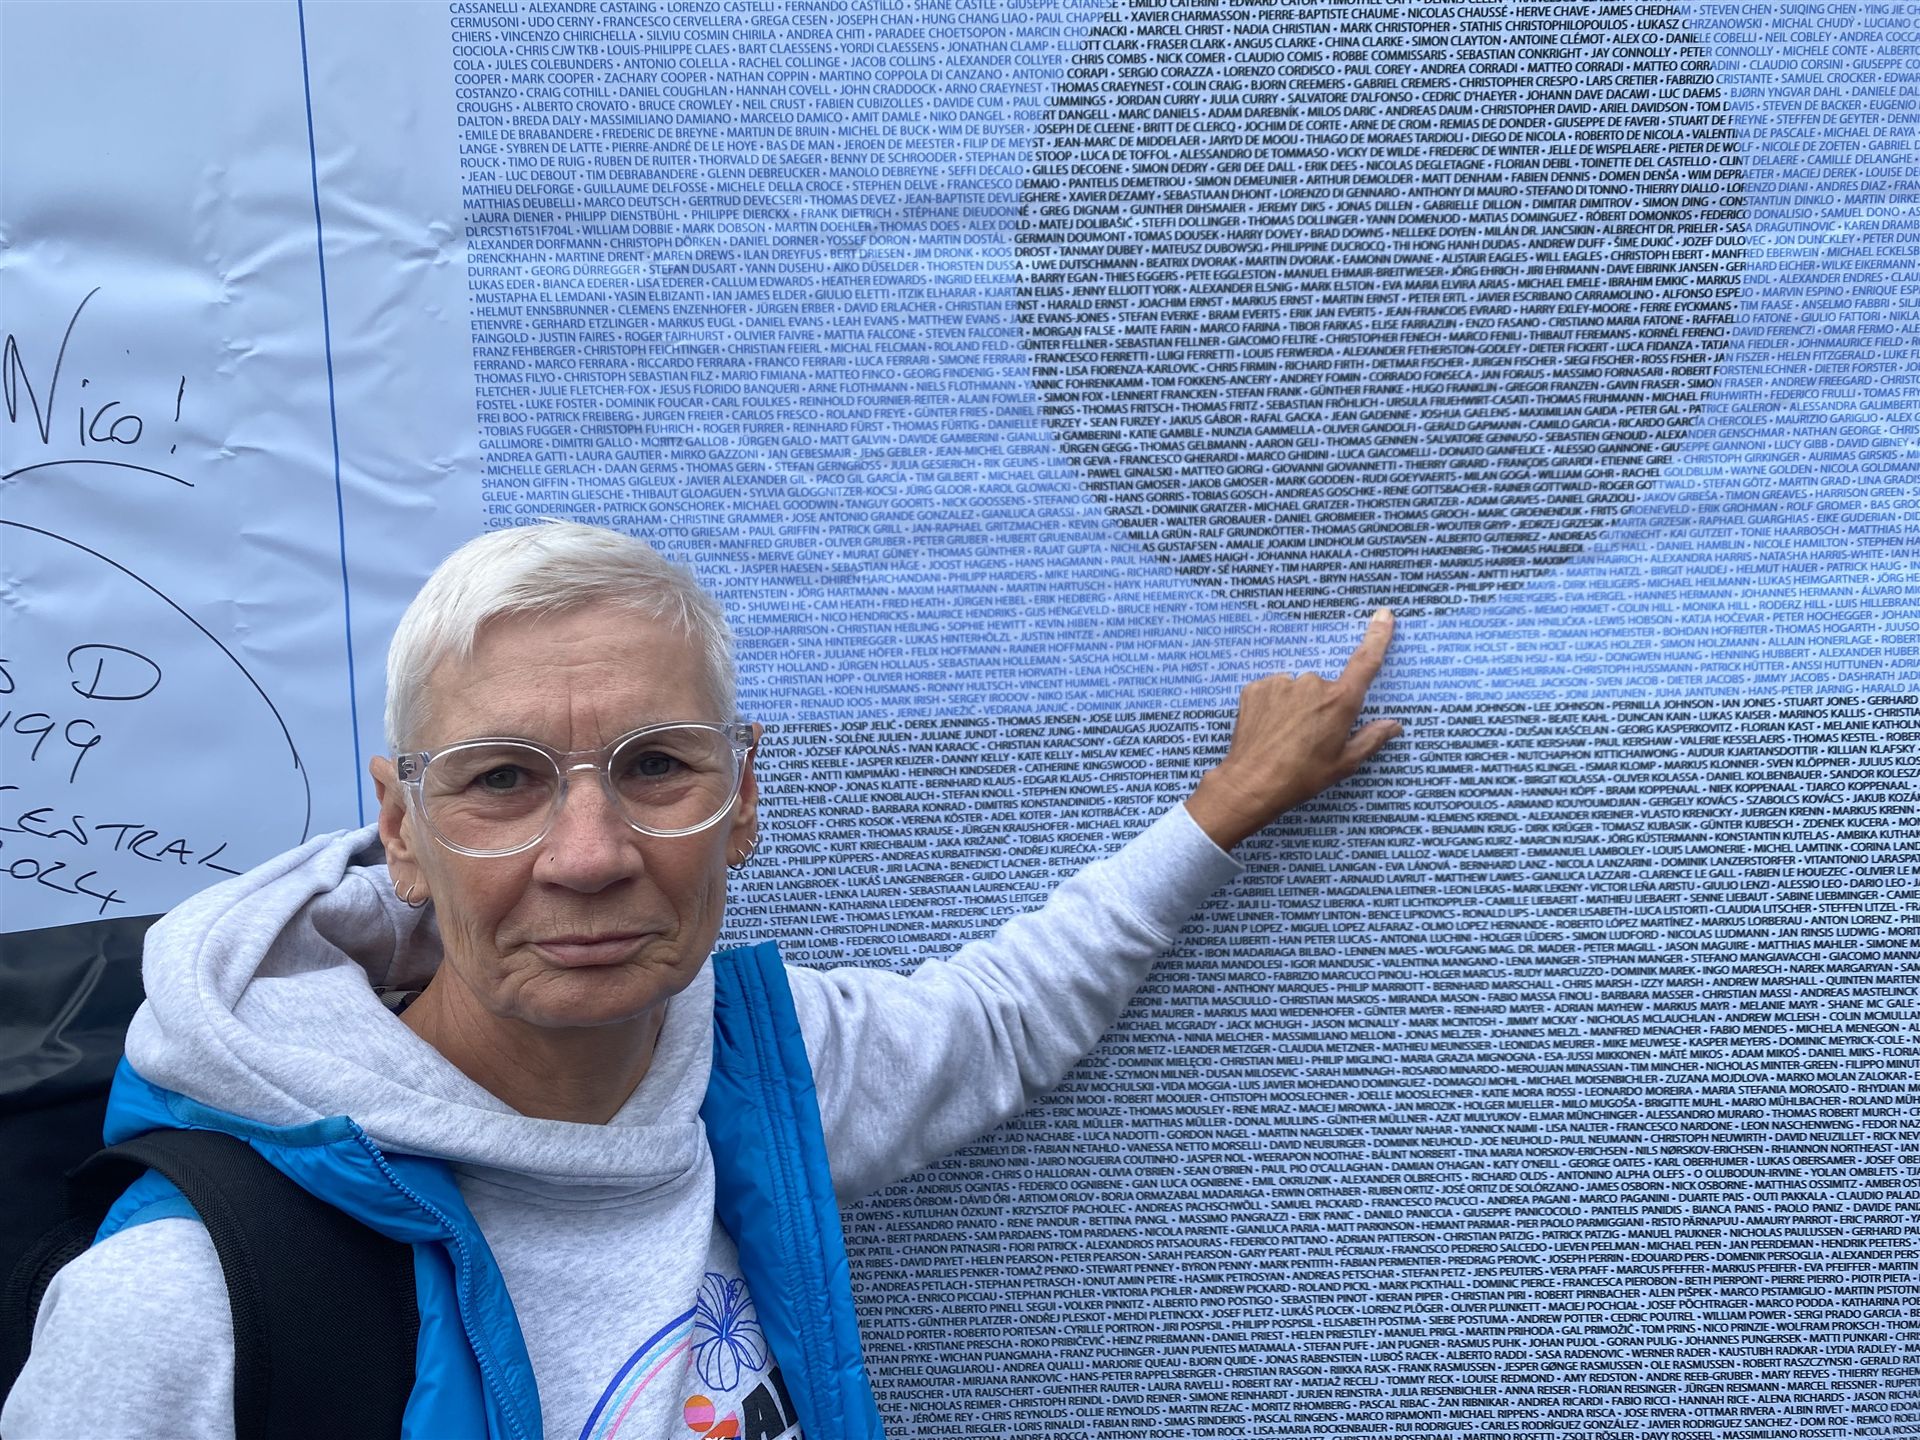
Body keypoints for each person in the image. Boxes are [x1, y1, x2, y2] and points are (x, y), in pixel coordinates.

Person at [2, 521, 1401, 1440]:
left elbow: (999, 1020)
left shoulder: (752, 1070)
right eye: (502, 782)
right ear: (403, 831)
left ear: (742, 803)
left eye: (659, 767)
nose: (591, 855)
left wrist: (1227, 808)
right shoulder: (184, 1306)